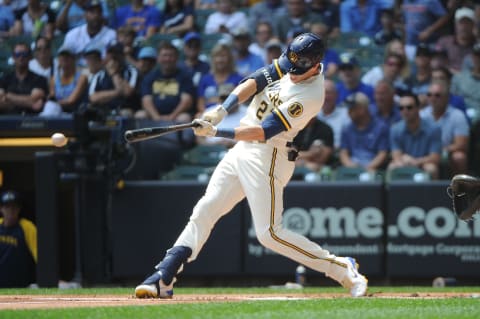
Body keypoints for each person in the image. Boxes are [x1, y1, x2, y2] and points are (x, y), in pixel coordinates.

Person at [134, 33, 368, 299]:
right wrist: (223, 108)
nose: (289, 72)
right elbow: (255, 81)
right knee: (206, 209)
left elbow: (264, 132)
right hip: (241, 150)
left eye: (296, 68)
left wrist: (217, 131)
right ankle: (165, 274)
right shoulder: (291, 63)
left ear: (314, 66)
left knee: (269, 234)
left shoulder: (311, 95)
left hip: (268, 156)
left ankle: (342, 269)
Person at [420, 80, 470, 177]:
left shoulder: (457, 115)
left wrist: (439, 150)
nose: (432, 98)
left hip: (447, 152)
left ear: (447, 98)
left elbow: (461, 144)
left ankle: (460, 189)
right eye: (429, 95)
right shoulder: (421, 115)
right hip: (427, 154)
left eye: (437, 95)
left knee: (459, 157)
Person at [388, 92, 442, 179]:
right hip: (404, 163)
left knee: (432, 168)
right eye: (401, 108)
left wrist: (416, 161)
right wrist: (404, 159)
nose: (405, 111)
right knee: (392, 167)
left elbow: (435, 157)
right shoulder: (395, 129)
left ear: (418, 108)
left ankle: (432, 192)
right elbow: (396, 155)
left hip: (424, 164)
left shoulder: (433, 129)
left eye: (409, 107)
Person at [139, 41, 194, 122]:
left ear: (176, 58)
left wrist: (172, 116)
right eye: (164, 55)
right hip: (154, 115)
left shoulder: (184, 76)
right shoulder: (150, 76)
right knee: (140, 115)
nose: (167, 59)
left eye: (171, 56)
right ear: (158, 58)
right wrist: (156, 117)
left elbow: (186, 101)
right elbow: (146, 100)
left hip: (177, 116)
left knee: (184, 118)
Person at [339, 92, 389, 171]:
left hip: (373, 169)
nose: (348, 113)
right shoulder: (347, 128)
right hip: (352, 168)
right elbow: (343, 152)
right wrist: (350, 166)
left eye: (351, 109)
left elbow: (383, 153)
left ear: (362, 109)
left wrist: (368, 168)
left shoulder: (381, 127)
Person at [61, 0, 116, 67]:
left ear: (102, 15)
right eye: (92, 12)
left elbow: (112, 59)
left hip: (102, 71)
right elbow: (64, 58)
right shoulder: (72, 34)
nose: (96, 15)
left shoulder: (112, 35)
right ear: (85, 15)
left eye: (99, 12)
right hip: (77, 72)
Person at [0, 190, 37, 288]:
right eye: (7, 207)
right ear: (1, 209)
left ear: (19, 209)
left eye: (14, 207)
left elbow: (39, 254)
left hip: (20, 284)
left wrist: (51, 277)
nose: (11, 210)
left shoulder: (27, 227)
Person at [195, 42, 243, 117]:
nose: (220, 60)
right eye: (217, 56)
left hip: (231, 115)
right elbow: (200, 103)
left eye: (223, 56)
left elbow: (241, 102)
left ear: (229, 59)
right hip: (209, 116)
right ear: (213, 59)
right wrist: (207, 114)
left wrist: (215, 100)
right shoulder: (205, 79)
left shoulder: (238, 78)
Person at [0, 41, 48, 115]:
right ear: (13, 57)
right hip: (7, 121)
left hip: (33, 122)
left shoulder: (40, 79)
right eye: (18, 54)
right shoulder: (5, 79)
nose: (21, 57)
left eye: (24, 54)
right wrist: (28, 102)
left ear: (30, 57)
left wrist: (8, 96)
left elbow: (37, 103)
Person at [40, 44, 88, 117]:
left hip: (75, 114)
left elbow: (71, 101)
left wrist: (53, 103)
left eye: (67, 56)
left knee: (51, 107)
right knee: (50, 107)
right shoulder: (54, 79)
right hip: (57, 112)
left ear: (74, 58)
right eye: (62, 56)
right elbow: (52, 96)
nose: (64, 58)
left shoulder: (81, 78)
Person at [435, 6, 476, 73]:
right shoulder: (444, 42)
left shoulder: (477, 45)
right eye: (461, 23)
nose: (464, 27)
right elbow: (437, 62)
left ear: (473, 25)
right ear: (455, 24)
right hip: (448, 77)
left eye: (467, 23)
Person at [317, 79, 350, 150]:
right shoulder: (312, 115)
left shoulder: (346, 115)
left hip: (336, 154)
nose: (325, 97)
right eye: (322, 93)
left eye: (328, 93)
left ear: (336, 95)